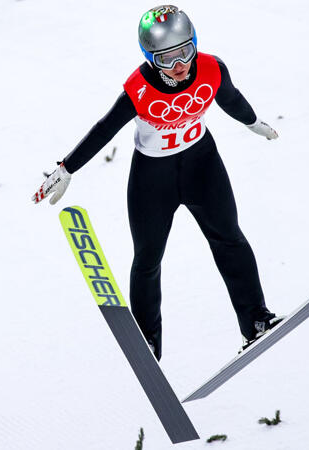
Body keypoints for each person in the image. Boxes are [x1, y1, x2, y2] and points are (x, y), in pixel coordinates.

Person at [32, 5, 282, 360]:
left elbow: (230, 98)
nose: (179, 65)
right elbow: (104, 129)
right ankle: (148, 340)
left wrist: (253, 122)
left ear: (194, 44)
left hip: (202, 166)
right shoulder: (139, 88)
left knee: (230, 238)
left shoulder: (211, 68)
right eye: (166, 58)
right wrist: (68, 167)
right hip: (153, 178)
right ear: (150, 59)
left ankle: (256, 320)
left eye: (185, 51)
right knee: (148, 258)